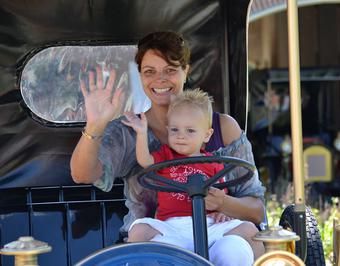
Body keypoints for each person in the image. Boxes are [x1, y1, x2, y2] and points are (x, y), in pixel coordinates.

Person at [70, 31, 266, 265]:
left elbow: (256, 209)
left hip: (217, 231)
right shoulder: (130, 129)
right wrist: (95, 123)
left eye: (170, 70)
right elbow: (82, 174)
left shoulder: (222, 127)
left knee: (249, 241)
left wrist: (223, 204)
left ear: (186, 71)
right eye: (149, 72)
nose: (159, 80)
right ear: (141, 77)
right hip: (160, 238)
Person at [122, 88, 264, 262]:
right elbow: (145, 161)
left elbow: (220, 195)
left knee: (249, 230)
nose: (181, 136)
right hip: (172, 227)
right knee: (138, 229)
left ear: (207, 134)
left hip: (208, 225)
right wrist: (142, 133)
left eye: (190, 131)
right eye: (174, 130)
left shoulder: (215, 162)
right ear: (168, 130)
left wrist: (223, 211)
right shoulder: (165, 155)